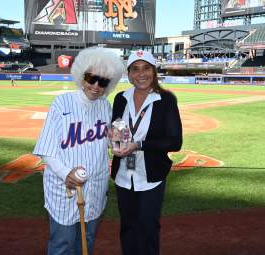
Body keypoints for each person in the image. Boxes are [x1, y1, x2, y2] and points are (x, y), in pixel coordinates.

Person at [33, 47, 124, 255]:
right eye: (91, 78)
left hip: (95, 188)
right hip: (64, 188)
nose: (96, 86)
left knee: (87, 242)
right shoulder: (61, 102)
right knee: (62, 244)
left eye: (103, 81)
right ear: (82, 75)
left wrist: (116, 140)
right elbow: (46, 149)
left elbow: (108, 142)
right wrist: (66, 173)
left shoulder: (105, 106)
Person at [110, 50, 183, 255]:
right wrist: (115, 141)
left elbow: (175, 142)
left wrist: (139, 145)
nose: (141, 74)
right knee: (128, 227)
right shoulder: (120, 98)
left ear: (154, 71)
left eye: (146, 68)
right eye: (135, 69)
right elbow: (118, 126)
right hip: (123, 176)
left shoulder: (166, 100)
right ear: (129, 73)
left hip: (151, 176)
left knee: (148, 228)